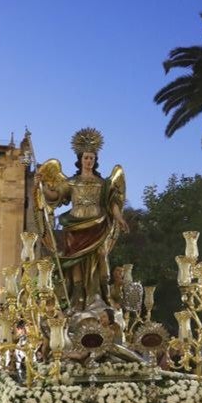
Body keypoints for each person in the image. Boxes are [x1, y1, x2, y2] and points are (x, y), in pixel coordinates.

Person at [35, 128, 129, 310]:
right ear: (80, 159)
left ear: (95, 160)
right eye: (86, 157)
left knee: (101, 256)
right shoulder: (71, 182)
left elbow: (113, 203)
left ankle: (103, 295)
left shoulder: (103, 183)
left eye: (92, 158)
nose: (89, 161)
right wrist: (41, 185)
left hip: (98, 225)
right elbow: (54, 196)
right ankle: (78, 298)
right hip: (75, 226)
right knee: (75, 261)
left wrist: (119, 218)